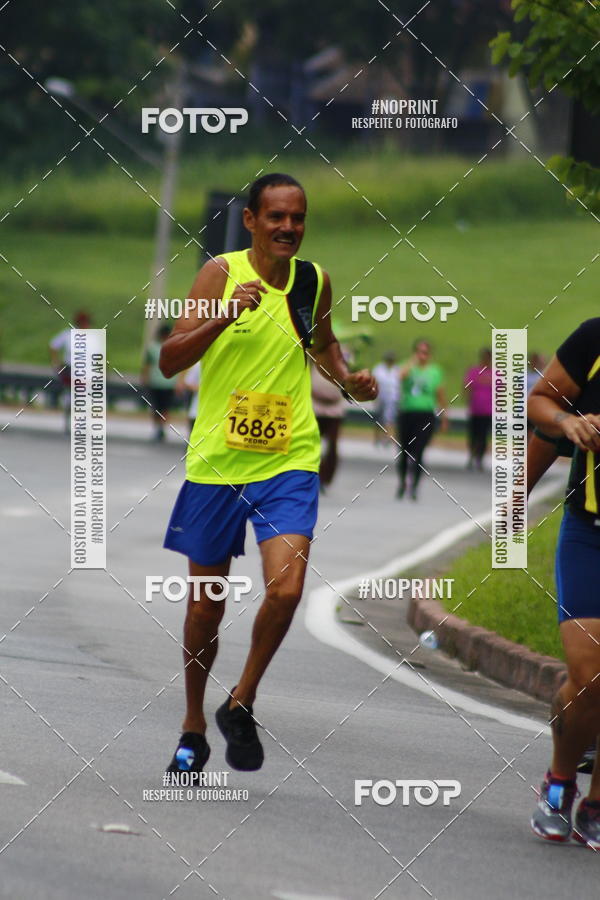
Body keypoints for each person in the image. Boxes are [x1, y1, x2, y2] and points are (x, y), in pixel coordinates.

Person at [159, 173, 377, 774]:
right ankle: (193, 724)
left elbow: (323, 346)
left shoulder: (314, 280)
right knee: (205, 606)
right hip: (217, 464)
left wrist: (349, 378)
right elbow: (170, 356)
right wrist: (224, 317)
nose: (288, 228)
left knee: (286, 589)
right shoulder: (218, 275)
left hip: (289, 460)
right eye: (276, 217)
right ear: (251, 220)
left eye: (298, 218)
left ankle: (242, 700)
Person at [528, 318, 600, 847]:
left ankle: (597, 804)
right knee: (589, 673)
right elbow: (540, 402)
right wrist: (568, 423)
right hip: (590, 530)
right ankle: (558, 782)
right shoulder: (594, 337)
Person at [396, 339, 448, 500]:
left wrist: (444, 416)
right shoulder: (407, 366)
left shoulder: (435, 371)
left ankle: (414, 487)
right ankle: (402, 482)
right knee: (404, 451)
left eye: (425, 352)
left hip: (425, 415)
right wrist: (413, 361)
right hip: (407, 413)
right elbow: (400, 377)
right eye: (419, 352)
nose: (422, 356)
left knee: (419, 452)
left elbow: (440, 395)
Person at [49, 310, 91, 431]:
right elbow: (53, 345)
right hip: (70, 368)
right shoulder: (68, 334)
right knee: (70, 396)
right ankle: (69, 422)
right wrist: (55, 362)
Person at [311, 361, 348, 489]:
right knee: (313, 444)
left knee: (332, 445)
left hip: (335, 410)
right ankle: (312, 474)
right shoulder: (311, 353)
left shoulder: (341, 357)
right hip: (315, 406)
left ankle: (326, 478)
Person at [141, 324, 178, 442]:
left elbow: (146, 366)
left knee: (160, 408)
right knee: (161, 407)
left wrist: (145, 378)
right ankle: (160, 427)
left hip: (162, 382)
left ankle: (159, 428)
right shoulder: (171, 347)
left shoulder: (155, 348)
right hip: (164, 382)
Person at [464, 347, 492, 470]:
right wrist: (467, 400)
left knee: (483, 435)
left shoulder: (495, 373)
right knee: (473, 435)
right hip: (475, 409)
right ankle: (471, 455)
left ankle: (479, 458)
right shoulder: (474, 371)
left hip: (488, 410)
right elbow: (467, 387)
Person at [373, 351, 400, 444]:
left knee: (390, 418)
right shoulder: (378, 369)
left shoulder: (397, 369)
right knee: (379, 418)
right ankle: (377, 437)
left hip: (392, 398)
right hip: (380, 397)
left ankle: (388, 438)